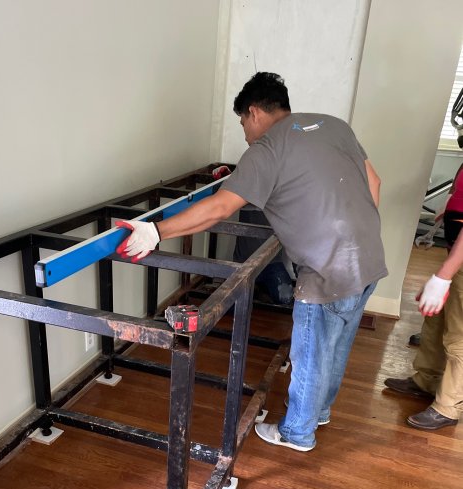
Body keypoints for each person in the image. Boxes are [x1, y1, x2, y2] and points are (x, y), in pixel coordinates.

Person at [116, 72, 387, 452]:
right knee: (337, 343)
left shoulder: (267, 149)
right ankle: (320, 411)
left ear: (254, 112)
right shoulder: (333, 125)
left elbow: (220, 209)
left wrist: (156, 231)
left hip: (326, 270)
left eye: (242, 122)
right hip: (369, 257)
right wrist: (354, 236)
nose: (245, 133)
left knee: (310, 354)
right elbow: (374, 182)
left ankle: (297, 433)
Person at [384, 161, 463, 430]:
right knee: (436, 321)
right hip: (455, 254)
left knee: (459, 337)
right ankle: (426, 381)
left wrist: (443, 276)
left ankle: (448, 407)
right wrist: (451, 206)